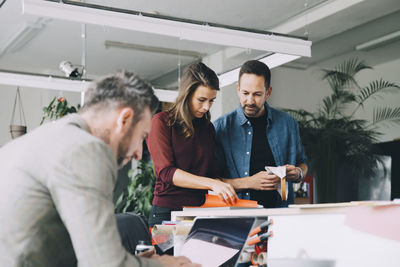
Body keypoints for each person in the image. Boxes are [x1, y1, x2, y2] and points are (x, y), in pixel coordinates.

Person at [0, 71, 199, 267]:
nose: (139, 153)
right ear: (125, 119)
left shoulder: (42, 140)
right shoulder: (86, 149)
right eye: (141, 136)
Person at [147, 62, 237, 226]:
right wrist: (212, 183)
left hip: (199, 211)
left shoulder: (208, 128)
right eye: (201, 100)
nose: (206, 107)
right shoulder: (161, 122)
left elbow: (210, 175)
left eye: (211, 101)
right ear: (186, 94)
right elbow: (166, 173)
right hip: (168, 212)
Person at [213, 60, 308, 208]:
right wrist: (248, 182)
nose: (250, 101)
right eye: (245, 93)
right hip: (237, 215)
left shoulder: (288, 124)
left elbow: (302, 163)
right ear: (238, 89)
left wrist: (298, 173)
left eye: (257, 94)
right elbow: (212, 181)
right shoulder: (221, 128)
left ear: (268, 92)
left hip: (280, 214)